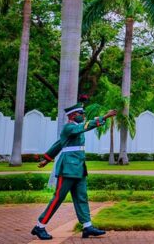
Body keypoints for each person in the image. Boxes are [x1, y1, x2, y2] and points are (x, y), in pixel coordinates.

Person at [31, 103, 117, 240]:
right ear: (72, 116)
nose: (83, 116)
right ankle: (39, 226)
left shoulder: (74, 130)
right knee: (58, 198)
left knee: (81, 197)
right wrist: (105, 116)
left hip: (79, 169)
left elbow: (59, 144)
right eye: (80, 114)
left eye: (83, 114)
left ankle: (87, 227)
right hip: (67, 169)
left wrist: (46, 159)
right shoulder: (70, 128)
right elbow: (83, 127)